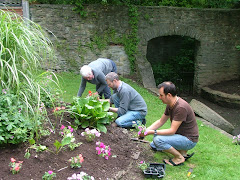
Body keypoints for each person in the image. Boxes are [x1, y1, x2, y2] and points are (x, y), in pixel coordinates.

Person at [140, 81, 199, 166]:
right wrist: (146, 130)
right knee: (154, 143)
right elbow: (161, 121)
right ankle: (182, 151)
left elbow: (172, 131)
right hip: (181, 135)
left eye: (161, 95)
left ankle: (179, 157)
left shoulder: (180, 107)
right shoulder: (171, 104)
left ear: (169, 95)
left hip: (189, 140)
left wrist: (152, 132)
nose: (159, 97)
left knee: (158, 140)